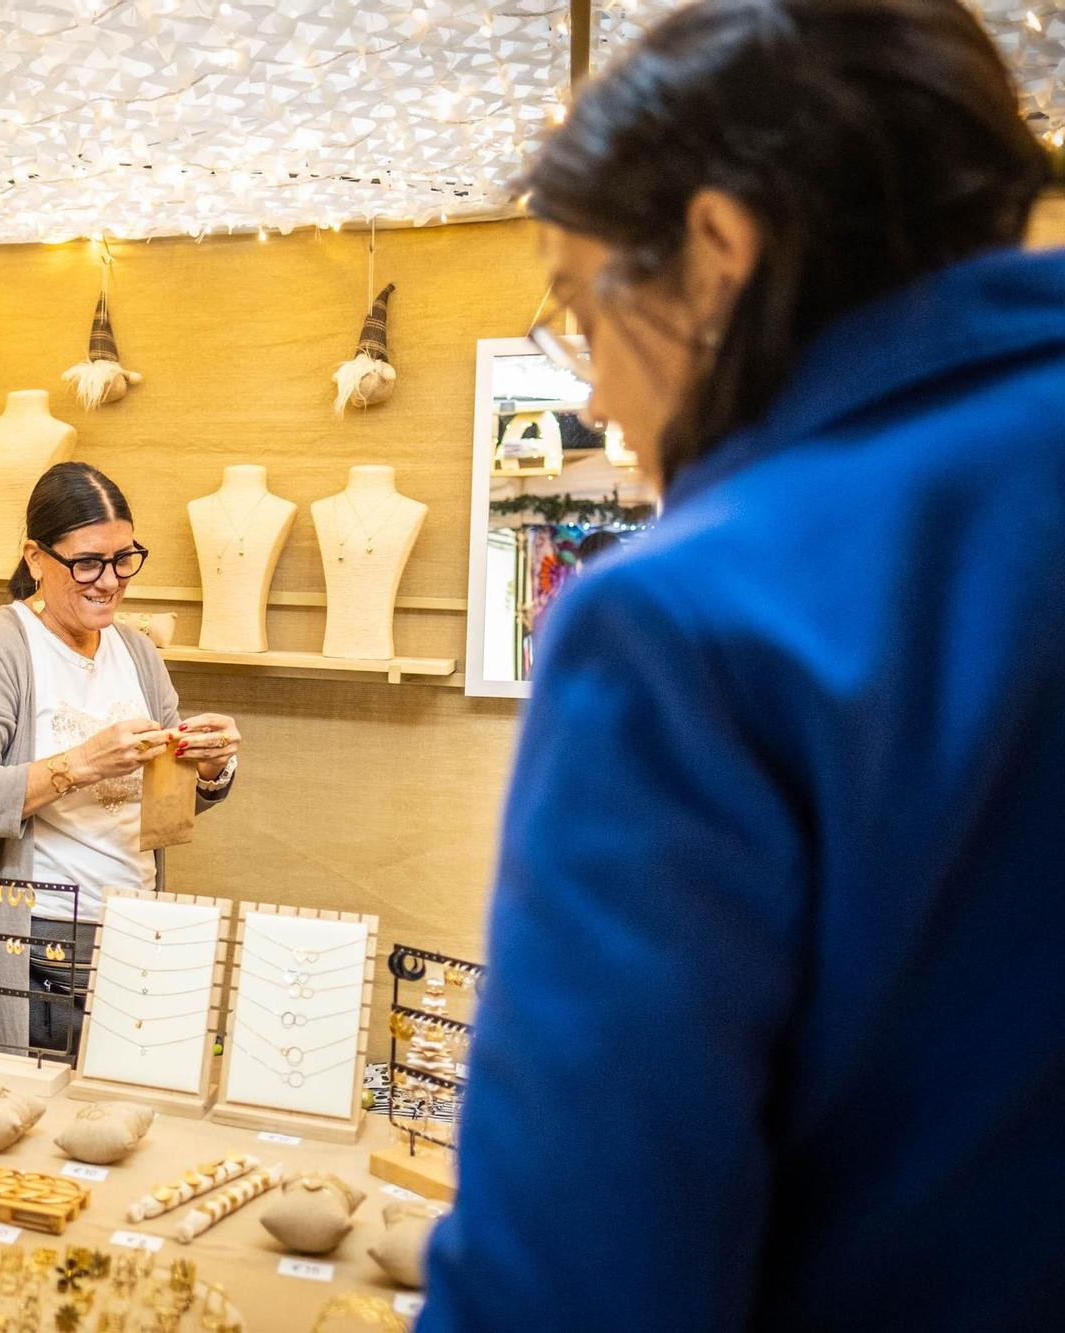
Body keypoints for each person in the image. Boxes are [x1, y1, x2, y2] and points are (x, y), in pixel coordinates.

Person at [422, 1, 1064, 1328]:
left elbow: (576, 1282)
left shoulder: (687, 621)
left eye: (580, 308)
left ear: (718, 249)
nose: (594, 395)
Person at [0, 462, 240, 1056]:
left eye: (124, 558)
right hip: (38, 939)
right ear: (36, 558)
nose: (110, 581)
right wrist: (83, 764)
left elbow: (161, 803)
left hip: (137, 928)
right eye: (87, 562)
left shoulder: (138, 651)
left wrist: (207, 767)